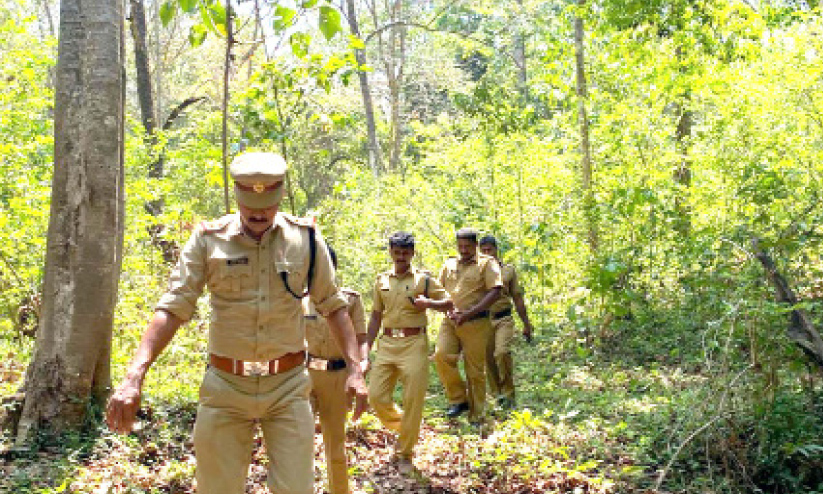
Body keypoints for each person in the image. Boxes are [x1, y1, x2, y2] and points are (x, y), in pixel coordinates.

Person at [105, 152, 368, 494]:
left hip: (287, 387)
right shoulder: (207, 240)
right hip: (225, 387)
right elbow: (172, 308)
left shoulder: (306, 240)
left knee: (296, 489)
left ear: (280, 194)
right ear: (236, 195)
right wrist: (134, 375)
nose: (259, 213)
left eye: (268, 205)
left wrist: (356, 370)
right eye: (250, 205)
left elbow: (333, 307)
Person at [366, 231, 452, 474]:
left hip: (414, 343)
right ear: (390, 253)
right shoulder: (381, 280)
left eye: (405, 252)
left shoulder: (423, 280)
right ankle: (408, 427)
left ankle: (405, 452)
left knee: (413, 399)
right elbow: (375, 316)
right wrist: (366, 348)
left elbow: (449, 303)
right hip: (387, 343)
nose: (401, 257)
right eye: (397, 252)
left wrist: (429, 304)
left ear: (412, 253)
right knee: (376, 396)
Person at [303, 245, 368, 494]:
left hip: (337, 377)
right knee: (299, 443)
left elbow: (361, 338)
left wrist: (360, 368)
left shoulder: (349, 300)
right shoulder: (297, 301)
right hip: (304, 376)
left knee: (336, 445)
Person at [433, 228, 502, 424]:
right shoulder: (449, 264)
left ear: (475, 245)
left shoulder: (487, 264)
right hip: (450, 321)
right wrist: (445, 309)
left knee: (475, 371)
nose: (463, 250)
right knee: (441, 355)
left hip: (476, 322)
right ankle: (458, 399)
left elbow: (495, 291)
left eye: (467, 246)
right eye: (460, 246)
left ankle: (477, 415)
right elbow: (439, 291)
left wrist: (470, 313)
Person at [478, 235, 534, 410]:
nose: (487, 253)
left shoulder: (508, 271)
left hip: (504, 318)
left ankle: (509, 394)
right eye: (484, 250)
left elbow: (517, 298)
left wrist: (526, 324)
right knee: (488, 360)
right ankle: (497, 396)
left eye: (490, 250)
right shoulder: (476, 272)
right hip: (484, 321)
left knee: (501, 353)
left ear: (496, 250)